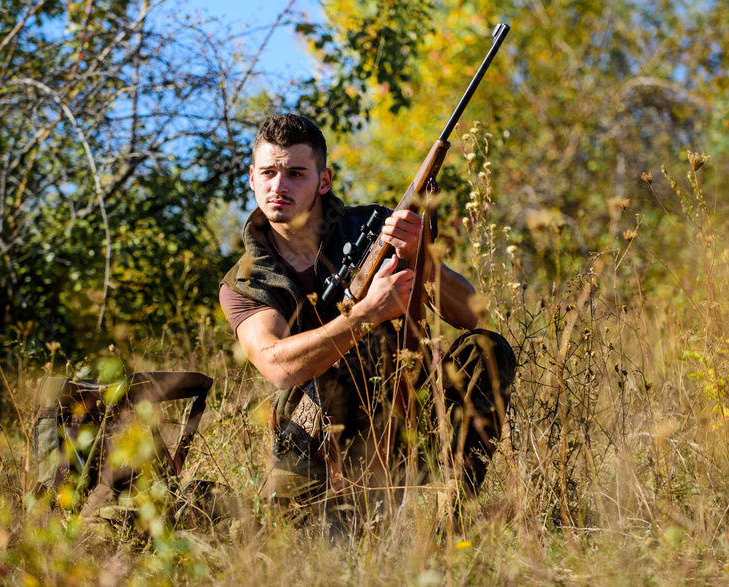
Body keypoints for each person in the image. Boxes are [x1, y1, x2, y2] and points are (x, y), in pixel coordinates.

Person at [219, 114, 516, 523]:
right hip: (320, 431)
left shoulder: (375, 226)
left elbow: (473, 312)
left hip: (409, 400)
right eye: (268, 172)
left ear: (323, 181)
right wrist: (365, 314)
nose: (279, 186)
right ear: (252, 177)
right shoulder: (244, 281)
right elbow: (277, 365)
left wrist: (420, 258)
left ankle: (455, 521)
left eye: (296, 173)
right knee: (315, 549)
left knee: (486, 350)